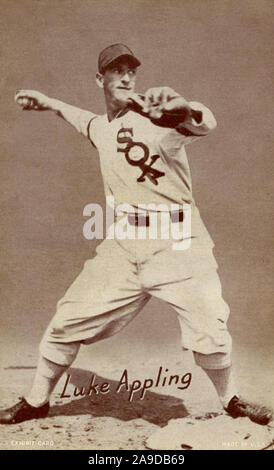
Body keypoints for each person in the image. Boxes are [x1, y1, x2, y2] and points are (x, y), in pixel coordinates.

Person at [0, 43, 272, 426]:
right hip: (125, 245)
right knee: (65, 322)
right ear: (100, 79)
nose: (126, 76)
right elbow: (81, 118)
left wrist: (182, 107)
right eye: (116, 70)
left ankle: (232, 400)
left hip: (179, 243)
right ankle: (36, 399)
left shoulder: (157, 120)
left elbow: (200, 122)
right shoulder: (99, 126)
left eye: (131, 70)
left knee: (210, 329)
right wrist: (47, 101)